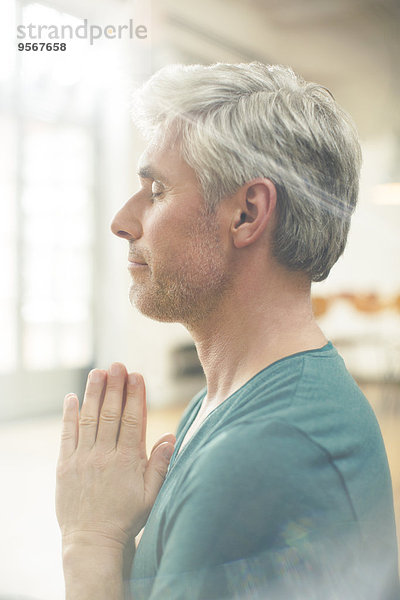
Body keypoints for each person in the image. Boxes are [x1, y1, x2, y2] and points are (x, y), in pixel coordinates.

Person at [56, 62, 400, 599]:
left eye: (157, 190)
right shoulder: (228, 401)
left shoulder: (265, 456)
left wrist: (89, 542)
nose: (122, 220)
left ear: (247, 213)